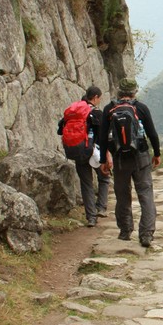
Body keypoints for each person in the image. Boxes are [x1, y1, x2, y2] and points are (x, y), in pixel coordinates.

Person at [97, 78, 161, 248]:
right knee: (145, 193)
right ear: (134, 92)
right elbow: (152, 134)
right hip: (140, 156)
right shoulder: (141, 108)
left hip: (119, 159)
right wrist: (157, 153)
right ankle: (146, 234)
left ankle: (125, 231)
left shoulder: (109, 109)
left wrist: (103, 160)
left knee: (122, 195)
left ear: (119, 91)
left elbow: (102, 138)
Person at [58, 86, 111, 227]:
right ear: (95, 97)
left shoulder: (74, 112)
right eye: (99, 98)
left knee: (86, 184)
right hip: (94, 152)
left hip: (78, 150)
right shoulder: (96, 112)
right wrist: (107, 155)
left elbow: (60, 129)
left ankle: (91, 218)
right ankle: (101, 207)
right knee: (104, 177)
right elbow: (103, 136)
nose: (99, 101)